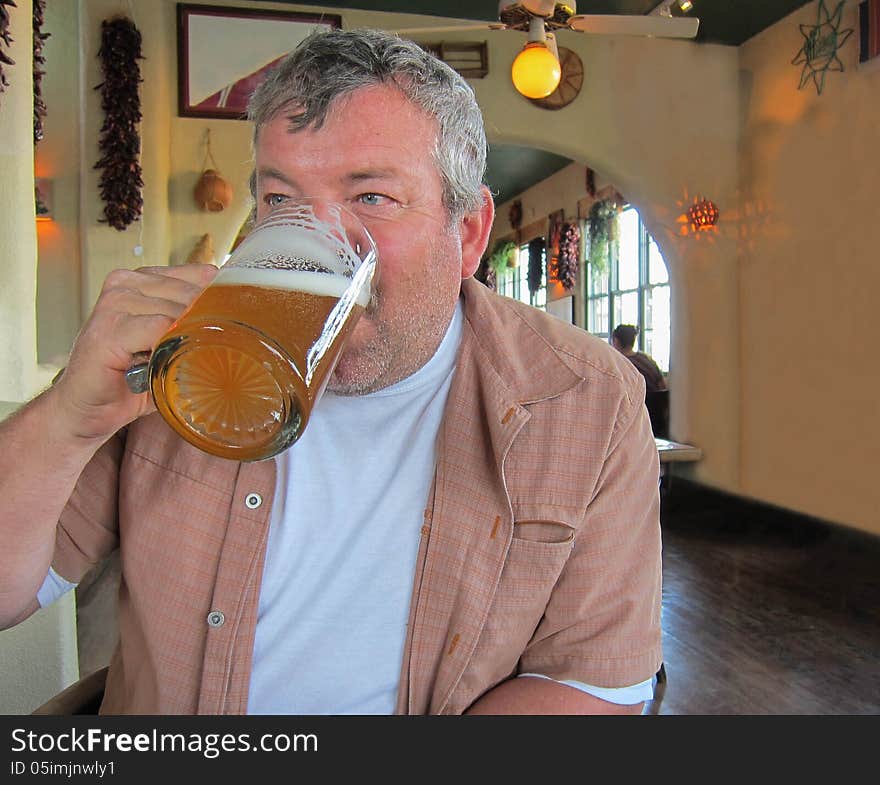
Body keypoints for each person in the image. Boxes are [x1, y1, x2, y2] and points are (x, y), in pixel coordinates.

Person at [0, 29, 662, 715]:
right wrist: (66, 419)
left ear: (466, 233)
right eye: (282, 201)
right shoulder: (182, 362)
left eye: (371, 196)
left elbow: (591, 682)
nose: (321, 244)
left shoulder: (585, 399)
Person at [612, 324, 667, 395]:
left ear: (616, 341)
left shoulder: (620, 365)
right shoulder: (647, 359)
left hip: (639, 404)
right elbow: (662, 386)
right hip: (658, 404)